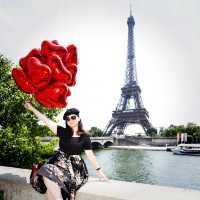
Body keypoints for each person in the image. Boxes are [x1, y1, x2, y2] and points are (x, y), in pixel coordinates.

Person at [24, 101, 108, 200]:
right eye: (68, 119)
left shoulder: (85, 137)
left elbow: (90, 155)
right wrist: (32, 108)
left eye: (73, 117)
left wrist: (99, 171)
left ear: (79, 118)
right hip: (58, 164)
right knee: (46, 172)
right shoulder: (62, 132)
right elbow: (45, 119)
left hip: (74, 168)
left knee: (48, 176)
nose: (70, 120)